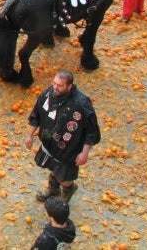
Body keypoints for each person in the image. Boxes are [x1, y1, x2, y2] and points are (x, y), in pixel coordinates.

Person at [26, 70, 101, 203]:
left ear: (69, 86)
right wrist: (29, 135)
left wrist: (84, 153)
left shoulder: (82, 104)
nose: (55, 87)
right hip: (50, 142)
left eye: (59, 85)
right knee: (53, 166)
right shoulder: (48, 94)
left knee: (64, 176)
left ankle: (68, 190)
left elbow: (91, 131)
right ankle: (53, 190)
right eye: (54, 83)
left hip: (69, 148)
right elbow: (36, 114)